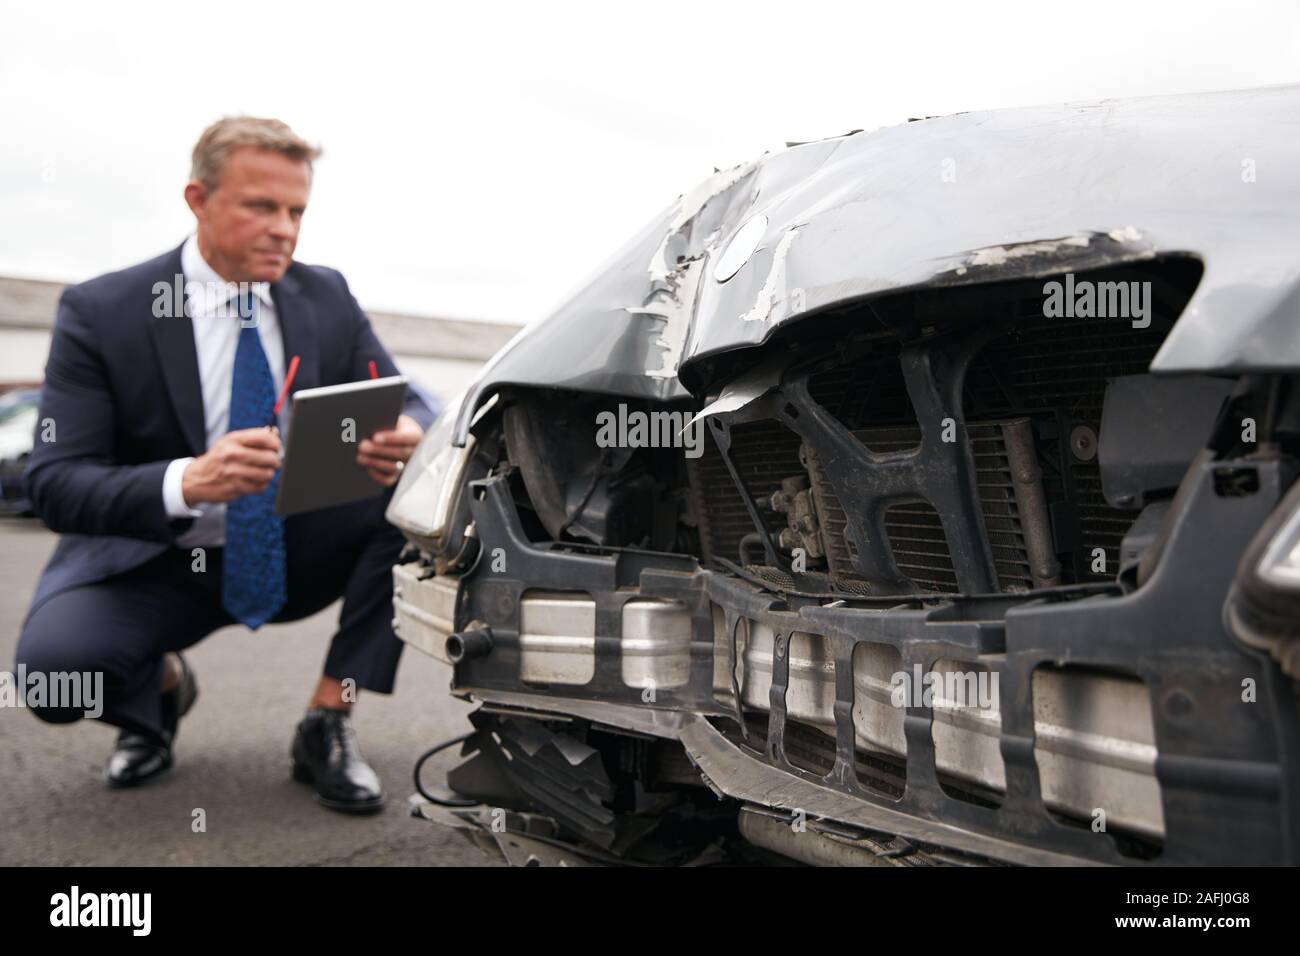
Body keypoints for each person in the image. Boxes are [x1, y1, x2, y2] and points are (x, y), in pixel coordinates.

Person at [14, 116, 435, 814]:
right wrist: (188, 479)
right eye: (260, 206)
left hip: (289, 545)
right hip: (155, 561)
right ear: (197, 199)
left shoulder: (324, 294)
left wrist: (409, 427)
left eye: (296, 210)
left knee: (406, 506)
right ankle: (163, 688)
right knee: (54, 679)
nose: (284, 229)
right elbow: (54, 484)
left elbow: (406, 395)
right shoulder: (103, 311)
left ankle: (327, 718)